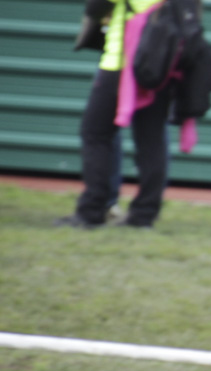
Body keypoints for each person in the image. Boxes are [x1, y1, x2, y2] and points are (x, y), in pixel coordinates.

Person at [57, 0, 196, 229]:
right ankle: (144, 215)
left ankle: (92, 211)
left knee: (95, 134)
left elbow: (96, 6)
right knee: (152, 141)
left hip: (120, 63)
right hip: (161, 65)